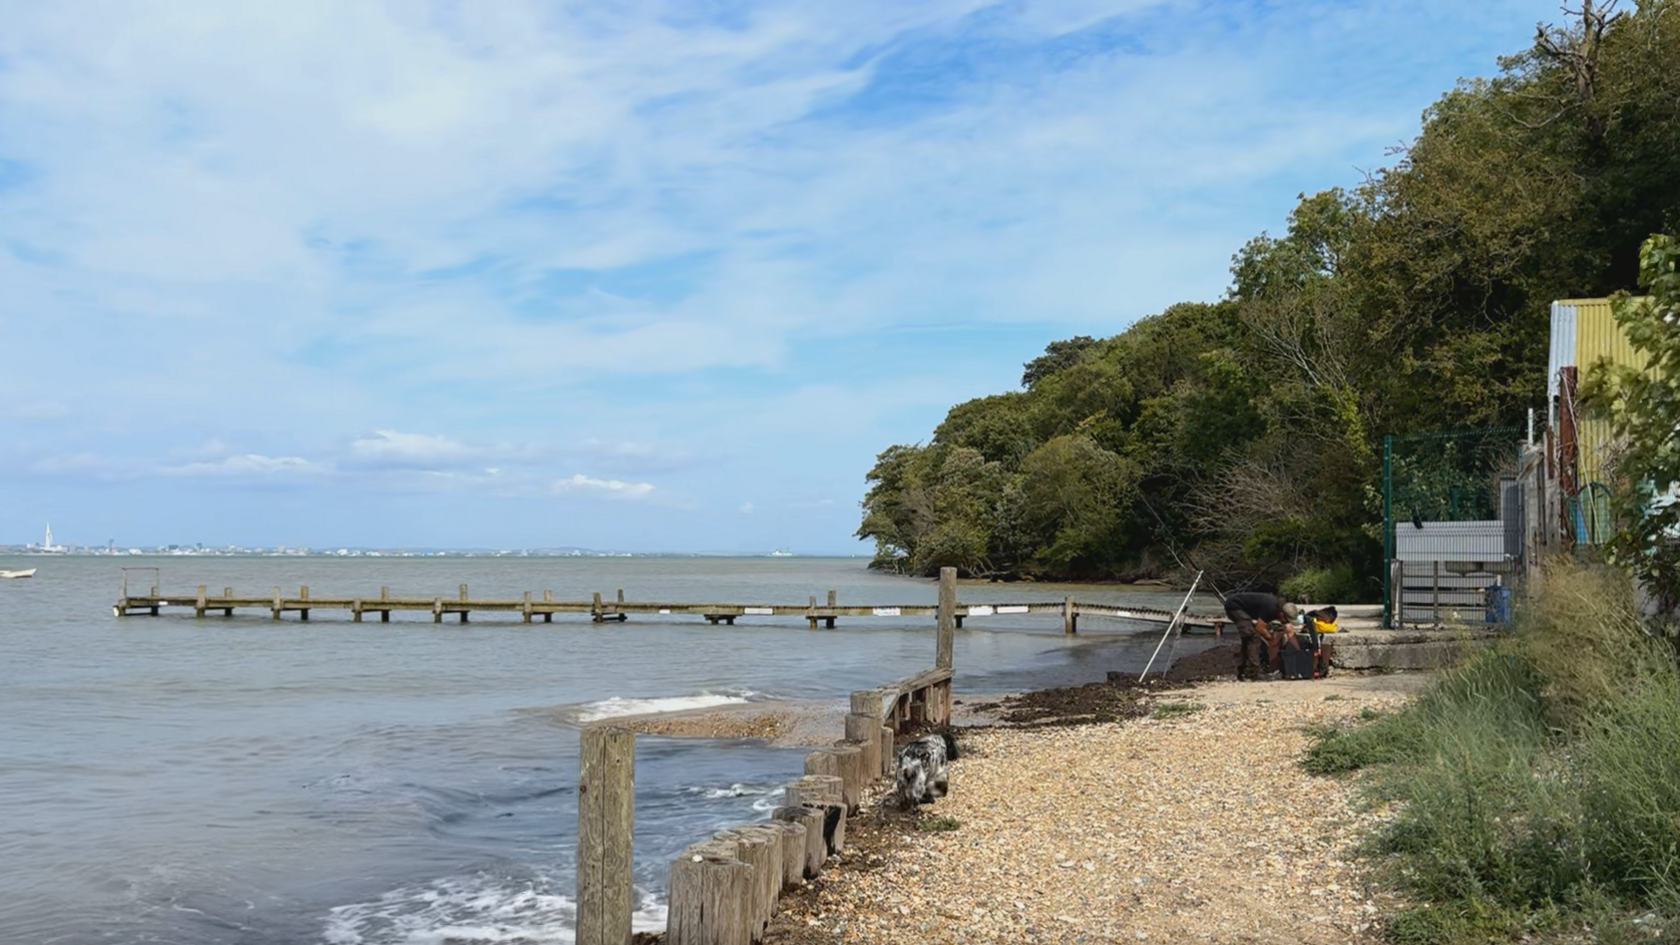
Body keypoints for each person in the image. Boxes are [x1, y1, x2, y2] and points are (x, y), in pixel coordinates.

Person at [1222, 590, 1297, 681]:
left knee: (1248, 638)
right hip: (1235, 606)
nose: (1285, 621)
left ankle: (1242, 671)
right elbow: (1260, 628)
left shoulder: (1282, 609)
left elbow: (1289, 630)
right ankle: (1253, 673)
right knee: (1253, 637)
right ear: (1282, 614)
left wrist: (1298, 649)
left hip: (1246, 608)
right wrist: (1270, 638)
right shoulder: (1271, 608)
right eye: (1286, 619)